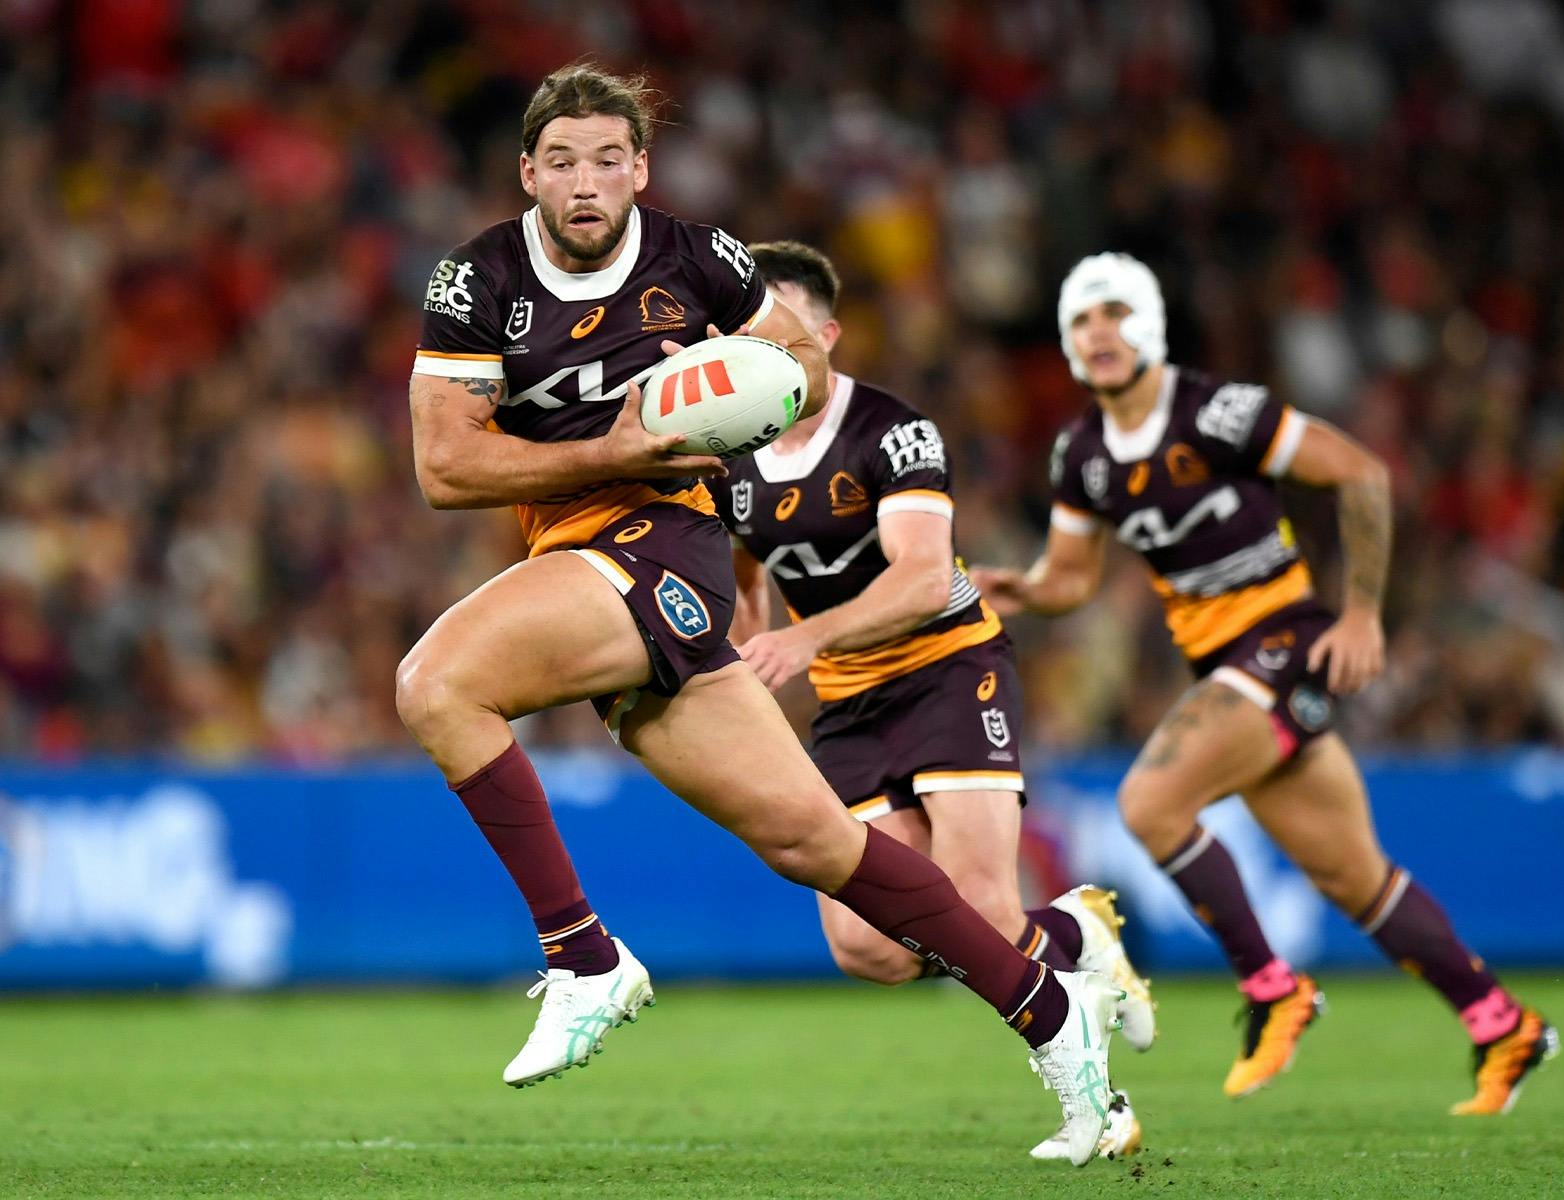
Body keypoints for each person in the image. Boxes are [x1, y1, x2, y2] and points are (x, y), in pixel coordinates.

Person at [397, 61, 1122, 1164]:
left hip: (663, 544)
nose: (585, 181)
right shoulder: (478, 277)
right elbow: (444, 468)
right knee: (818, 844)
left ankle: (582, 956)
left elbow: (794, 355)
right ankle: (1052, 1016)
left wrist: (735, 396)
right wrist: (616, 444)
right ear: (527, 174)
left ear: (639, 169)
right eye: (560, 162)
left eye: (607, 159)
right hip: (575, 545)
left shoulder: (699, 259)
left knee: (437, 684)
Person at [973, 252, 1559, 1114]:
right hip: (1227, 668)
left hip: (1285, 642)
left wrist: (1361, 614)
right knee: (1357, 879)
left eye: (1113, 314)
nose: (1098, 333)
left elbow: (1359, 470)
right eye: (1081, 321)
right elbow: (1070, 578)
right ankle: (1499, 1020)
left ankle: (1272, 986)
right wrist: (1023, 587)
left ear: (1149, 326)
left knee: (1150, 803)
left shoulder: (1218, 410)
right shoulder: (1081, 454)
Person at [708, 240, 1155, 1161]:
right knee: (869, 950)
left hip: (948, 667)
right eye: (751, 330)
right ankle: (1077, 933)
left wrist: (802, 638)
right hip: (846, 703)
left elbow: (918, 580)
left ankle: (1096, 1106)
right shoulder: (731, 450)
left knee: (984, 904)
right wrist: (746, 649)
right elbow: (750, 570)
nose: (770, 347)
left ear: (828, 333)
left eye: (789, 330)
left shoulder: (893, 431)